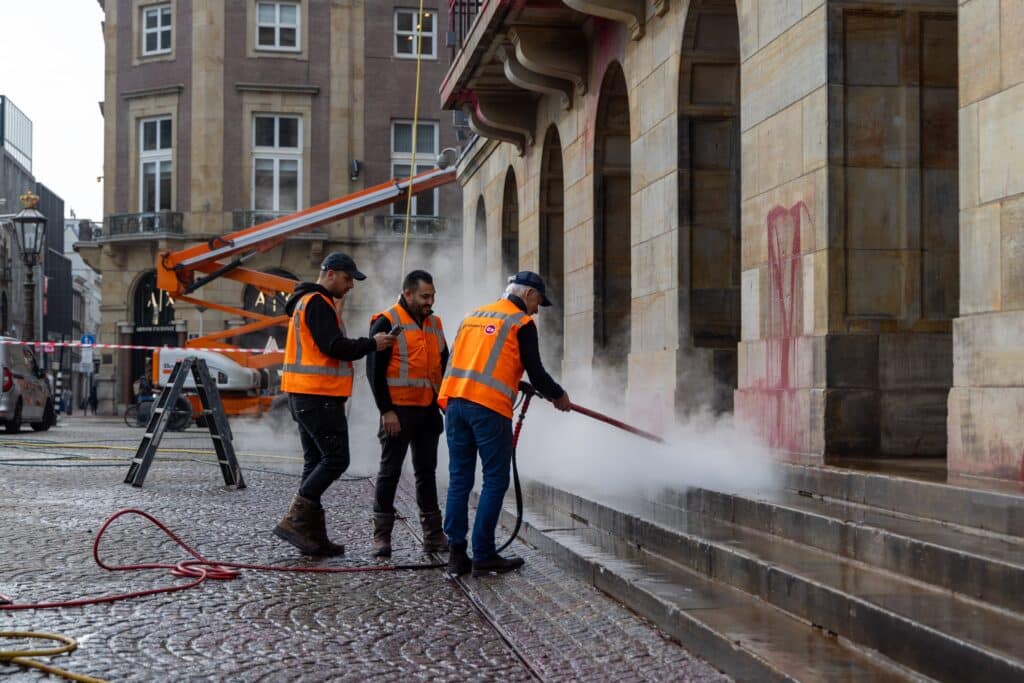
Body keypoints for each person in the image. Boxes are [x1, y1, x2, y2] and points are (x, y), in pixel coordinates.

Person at [439, 271, 571, 577]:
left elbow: (475, 360)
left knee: (460, 479)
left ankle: (456, 555)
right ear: (527, 294)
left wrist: (517, 381)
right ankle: (483, 554)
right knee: (495, 480)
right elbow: (537, 372)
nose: (538, 309)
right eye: (538, 301)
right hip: (487, 409)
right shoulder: (521, 322)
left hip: (455, 403)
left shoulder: (473, 315)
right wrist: (559, 396)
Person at [272, 252, 397, 556]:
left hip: (304, 395)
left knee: (315, 462)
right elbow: (334, 347)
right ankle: (295, 520)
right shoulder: (317, 302)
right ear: (330, 274)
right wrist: (373, 344)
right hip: (318, 396)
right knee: (336, 460)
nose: (351, 285)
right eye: (348, 278)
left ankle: (312, 538)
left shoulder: (308, 302)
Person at [366, 270, 448, 557]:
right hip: (397, 412)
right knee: (390, 472)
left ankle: (433, 536)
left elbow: (444, 365)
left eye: (433, 296)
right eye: (425, 296)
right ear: (409, 293)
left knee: (427, 473)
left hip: (427, 411)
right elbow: (374, 371)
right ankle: (382, 537)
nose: (430, 301)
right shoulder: (387, 321)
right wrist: (386, 410)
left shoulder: (435, 323)